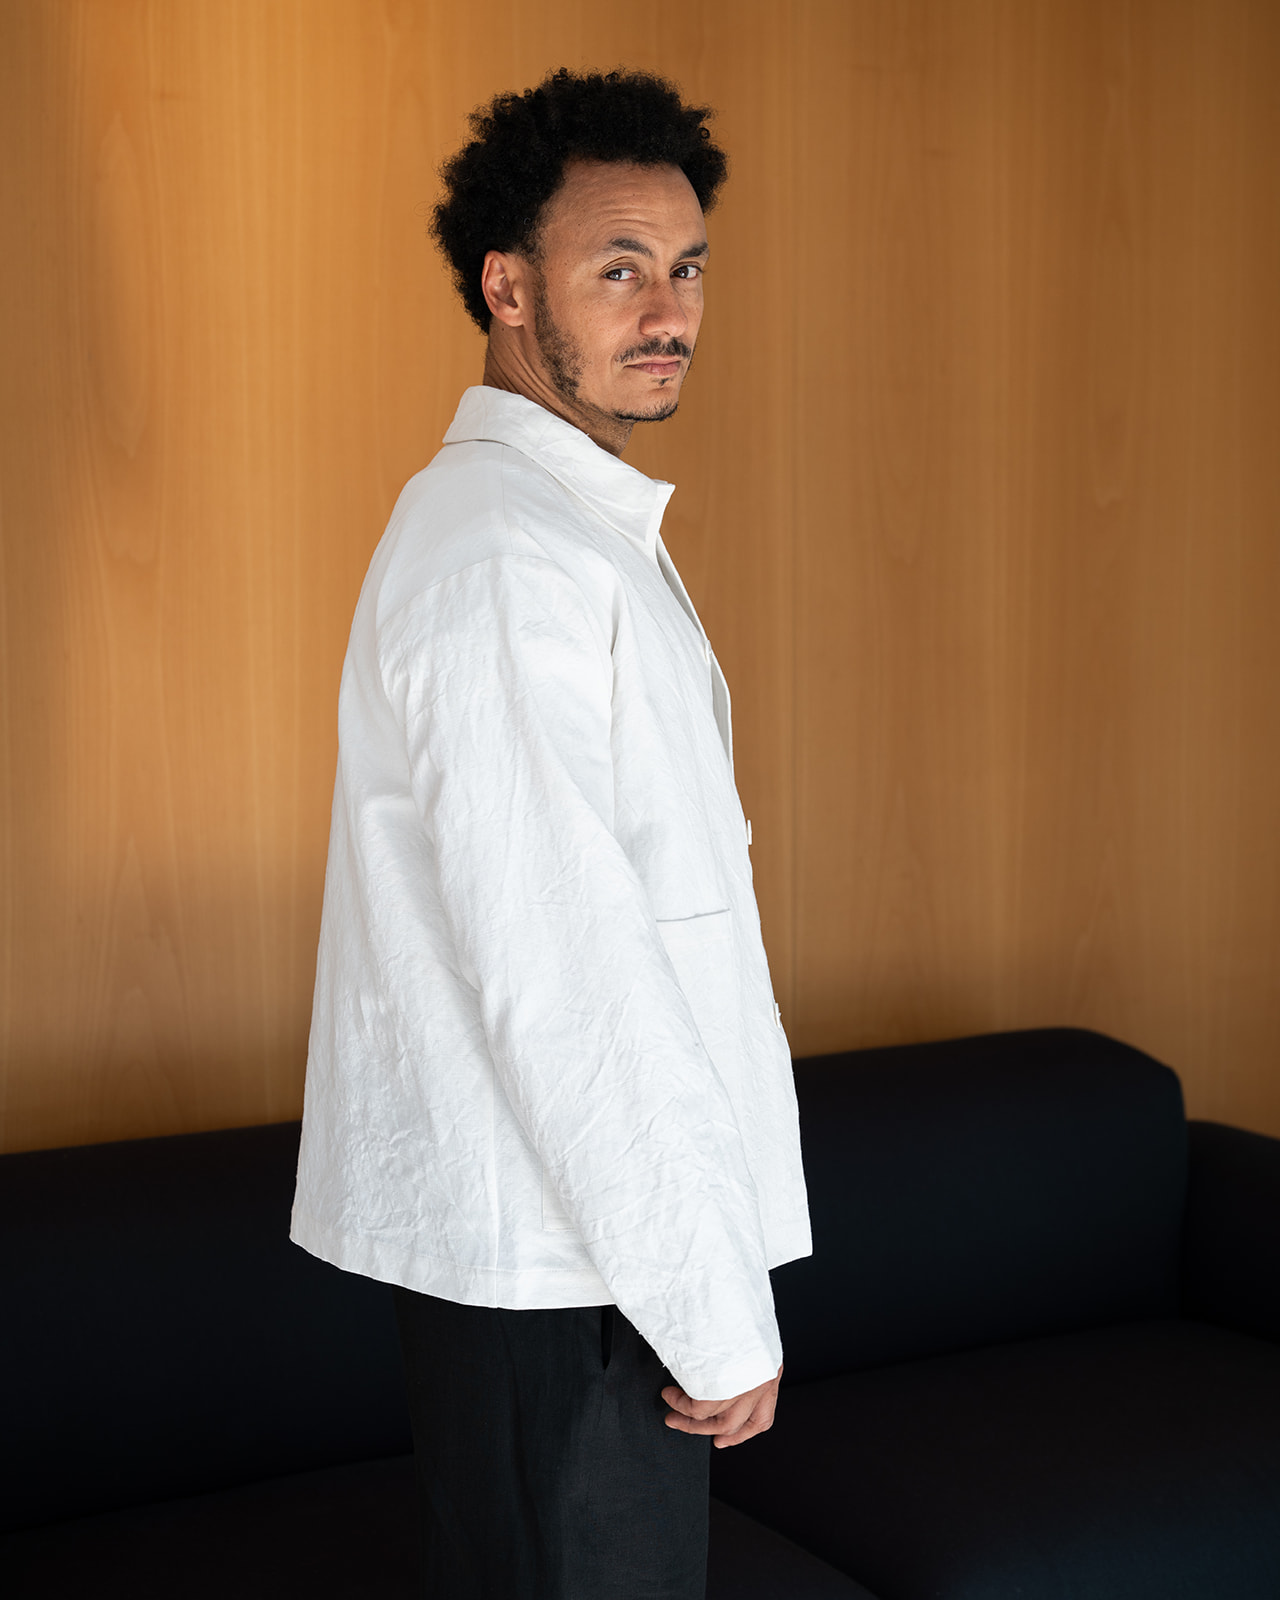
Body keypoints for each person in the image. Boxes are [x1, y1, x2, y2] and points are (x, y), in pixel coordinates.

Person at [291, 66, 810, 1599]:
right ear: (506, 286)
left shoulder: (568, 532)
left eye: (687, 267)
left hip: (597, 1258)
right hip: (573, 1275)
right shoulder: (504, 557)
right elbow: (566, 967)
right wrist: (709, 1305)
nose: (670, 311)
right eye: (619, 268)